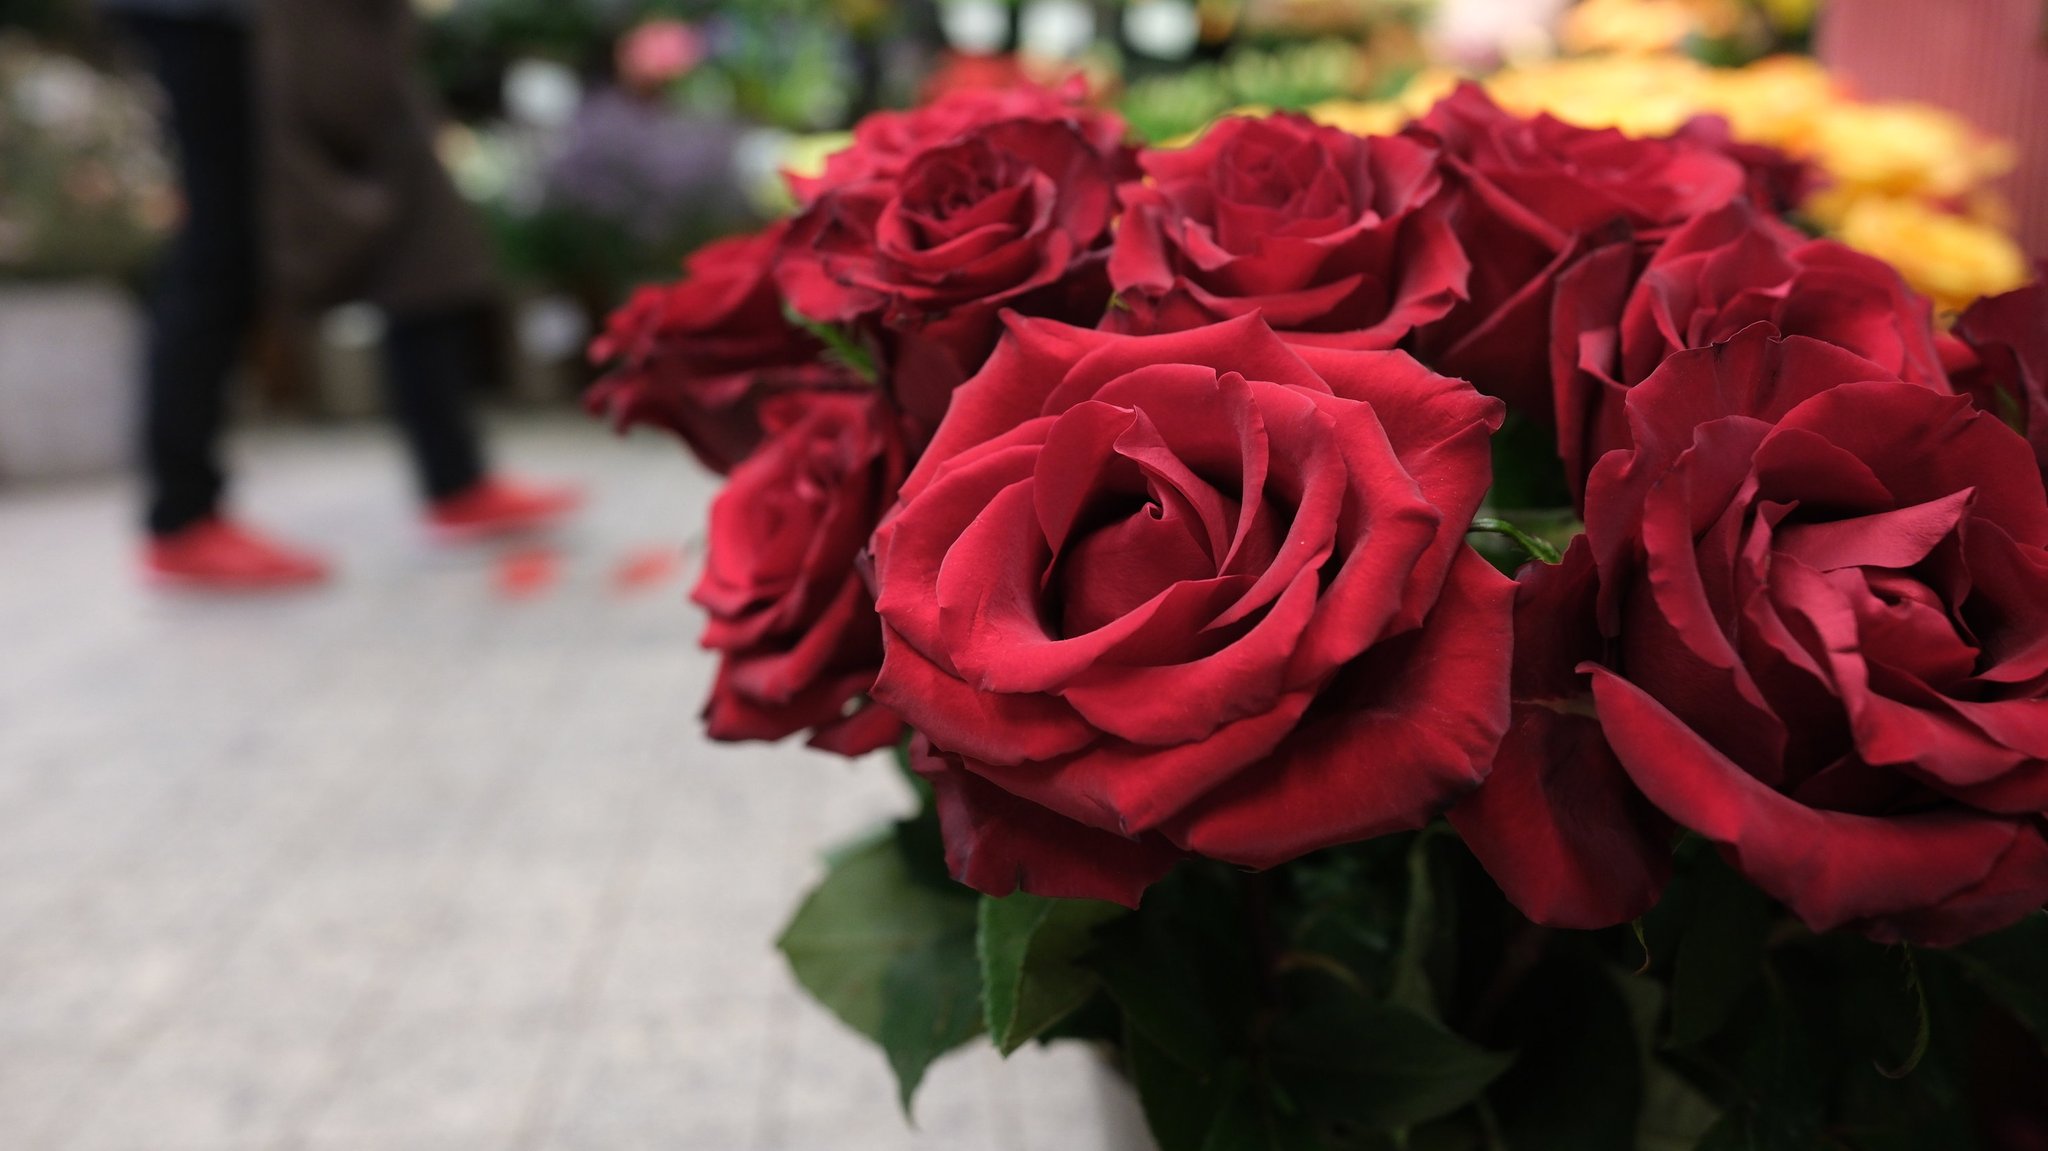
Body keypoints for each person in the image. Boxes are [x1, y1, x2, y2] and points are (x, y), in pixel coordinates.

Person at [101, 0, 578, 591]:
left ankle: (455, 480)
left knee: (426, 229)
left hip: (328, 18)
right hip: (217, 19)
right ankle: (183, 517)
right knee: (228, 246)